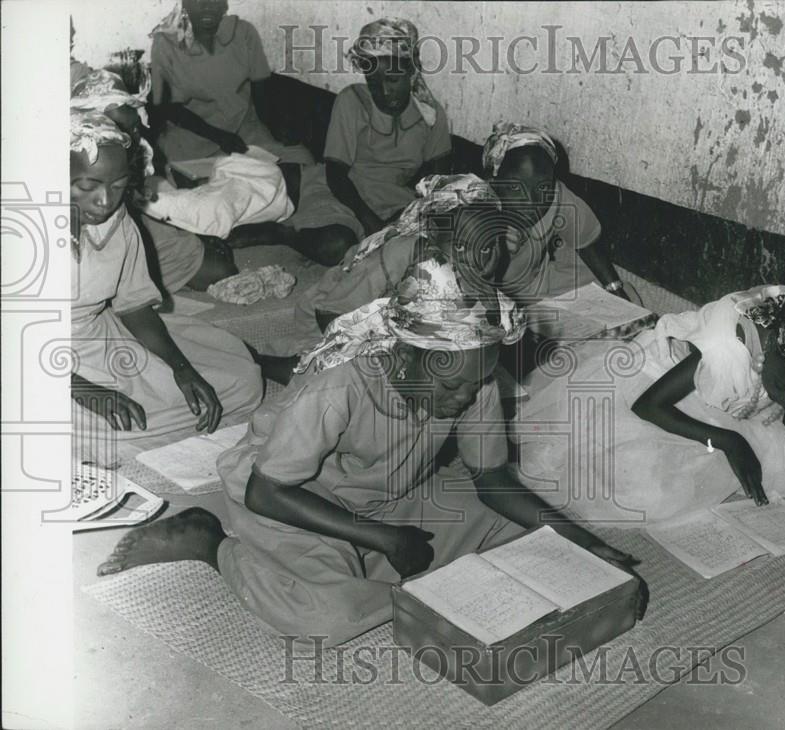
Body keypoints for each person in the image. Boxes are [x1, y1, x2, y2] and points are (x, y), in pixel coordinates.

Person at [97, 258, 645, 646]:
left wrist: (581, 540)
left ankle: (378, 565)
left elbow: (492, 479)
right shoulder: (341, 383)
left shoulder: (471, 375)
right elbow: (269, 489)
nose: (464, 399)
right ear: (407, 354)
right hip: (294, 501)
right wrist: (382, 537)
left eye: (474, 384)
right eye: (452, 386)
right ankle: (211, 542)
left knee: (526, 529)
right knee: (327, 617)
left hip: (388, 492)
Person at [511, 199, 785, 526]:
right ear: (776, 343)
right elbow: (648, 405)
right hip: (656, 387)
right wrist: (728, 441)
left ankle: (715, 452)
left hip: (735, 409)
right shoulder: (725, 344)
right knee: (640, 492)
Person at [69, 111, 263, 465]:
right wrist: (86, 391)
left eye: (118, 186)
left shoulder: (119, 221)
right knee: (106, 435)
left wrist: (181, 368)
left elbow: (133, 306)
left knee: (243, 381)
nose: (104, 201)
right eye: (87, 187)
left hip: (100, 338)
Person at [148, 0, 346, 264]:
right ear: (185, 5)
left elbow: (261, 85)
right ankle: (215, 218)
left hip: (245, 126)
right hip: (192, 135)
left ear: (224, 5)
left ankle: (242, 222)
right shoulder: (166, 42)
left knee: (297, 164)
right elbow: (165, 105)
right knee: (210, 182)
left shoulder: (244, 34)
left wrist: (275, 126)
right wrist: (217, 135)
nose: (206, 8)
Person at [258, 174, 504, 373]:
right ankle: (264, 364)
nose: (477, 260)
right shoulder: (401, 253)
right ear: (431, 232)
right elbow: (331, 314)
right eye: (461, 246)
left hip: (407, 327)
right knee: (336, 374)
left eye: (489, 246)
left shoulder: (482, 264)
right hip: (340, 315)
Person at [71, 65, 237, 293]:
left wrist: (188, 233)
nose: (130, 139)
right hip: (95, 232)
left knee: (219, 269)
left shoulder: (134, 148)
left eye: (133, 128)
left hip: (128, 219)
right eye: (117, 128)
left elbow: (131, 202)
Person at [319, 18, 453, 263]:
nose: (384, 91)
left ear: (411, 72)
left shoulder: (431, 115)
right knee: (335, 246)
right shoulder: (352, 101)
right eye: (373, 82)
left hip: (393, 199)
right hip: (345, 193)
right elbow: (335, 173)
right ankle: (282, 233)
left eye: (393, 80)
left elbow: (438, 181)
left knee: (418, 247)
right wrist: (368, 219)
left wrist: (421, 219)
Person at [482, 121, 636, 304]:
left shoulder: (556, 195)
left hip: (532, 284)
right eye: (515, 187)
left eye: (543, 186)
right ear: (492, 181)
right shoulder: (475, 207)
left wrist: (614, 288)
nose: (531, 201)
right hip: (486, 292)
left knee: (614, 294)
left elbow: (585, 242)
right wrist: (494, 244)